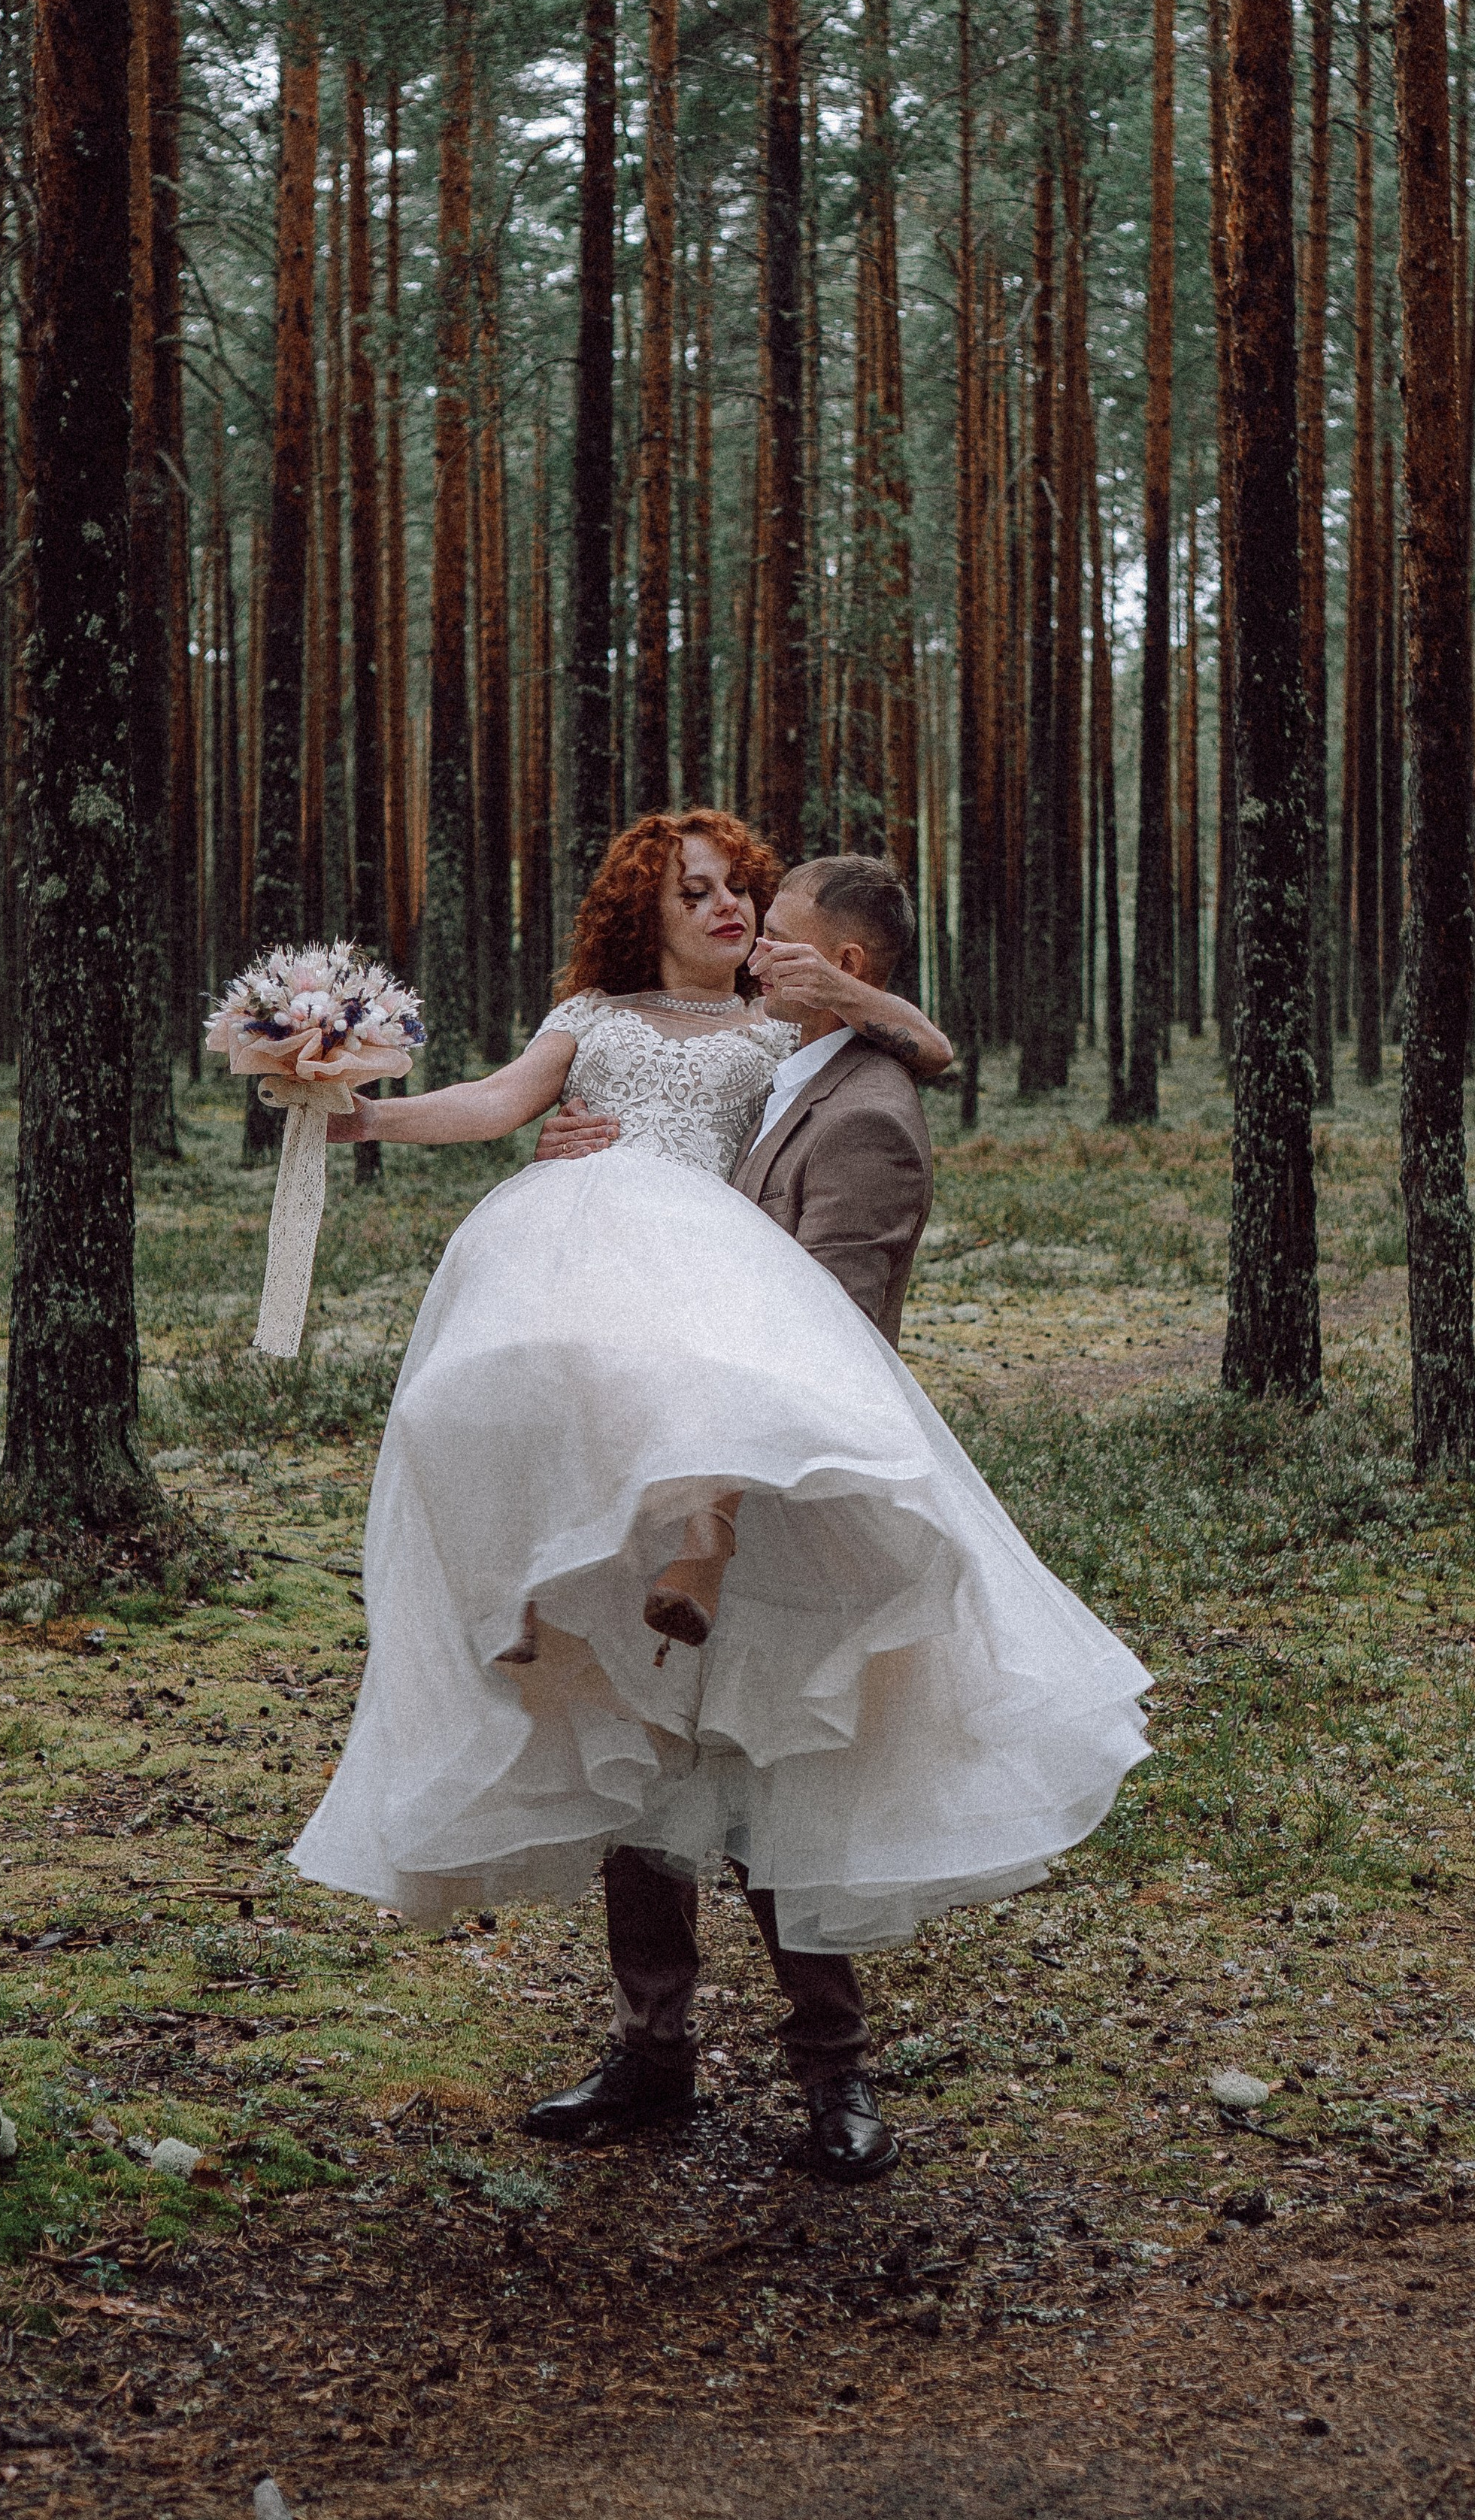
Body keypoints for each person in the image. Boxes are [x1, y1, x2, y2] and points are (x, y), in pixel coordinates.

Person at [291, 810, 1149, 2184]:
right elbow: (497, 1103)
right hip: (622, 1374)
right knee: (631, 1722)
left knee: (776, 1738)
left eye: (743, 890)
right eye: (696, 893)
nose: (728, 909)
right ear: (647, 908)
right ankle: (651, 2050)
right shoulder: (592, 1015)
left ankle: (835, 2067)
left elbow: (920, 1048)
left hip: (741, 1397)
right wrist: (364, 1112)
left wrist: (858, 990)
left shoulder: (780, 1036)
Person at [522, 853, 943, 2177]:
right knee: (646, 1754)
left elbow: (826, 1345)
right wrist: (577, 1156)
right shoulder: (782, 1072)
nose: (751, 951)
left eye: (780, 939)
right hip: (672, 1459)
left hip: (776, 1493)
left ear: (843, 971)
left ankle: (834, 2073)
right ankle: (652, 2055)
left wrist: (720, 1503)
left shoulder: (864, 1109)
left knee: (774, 1774)